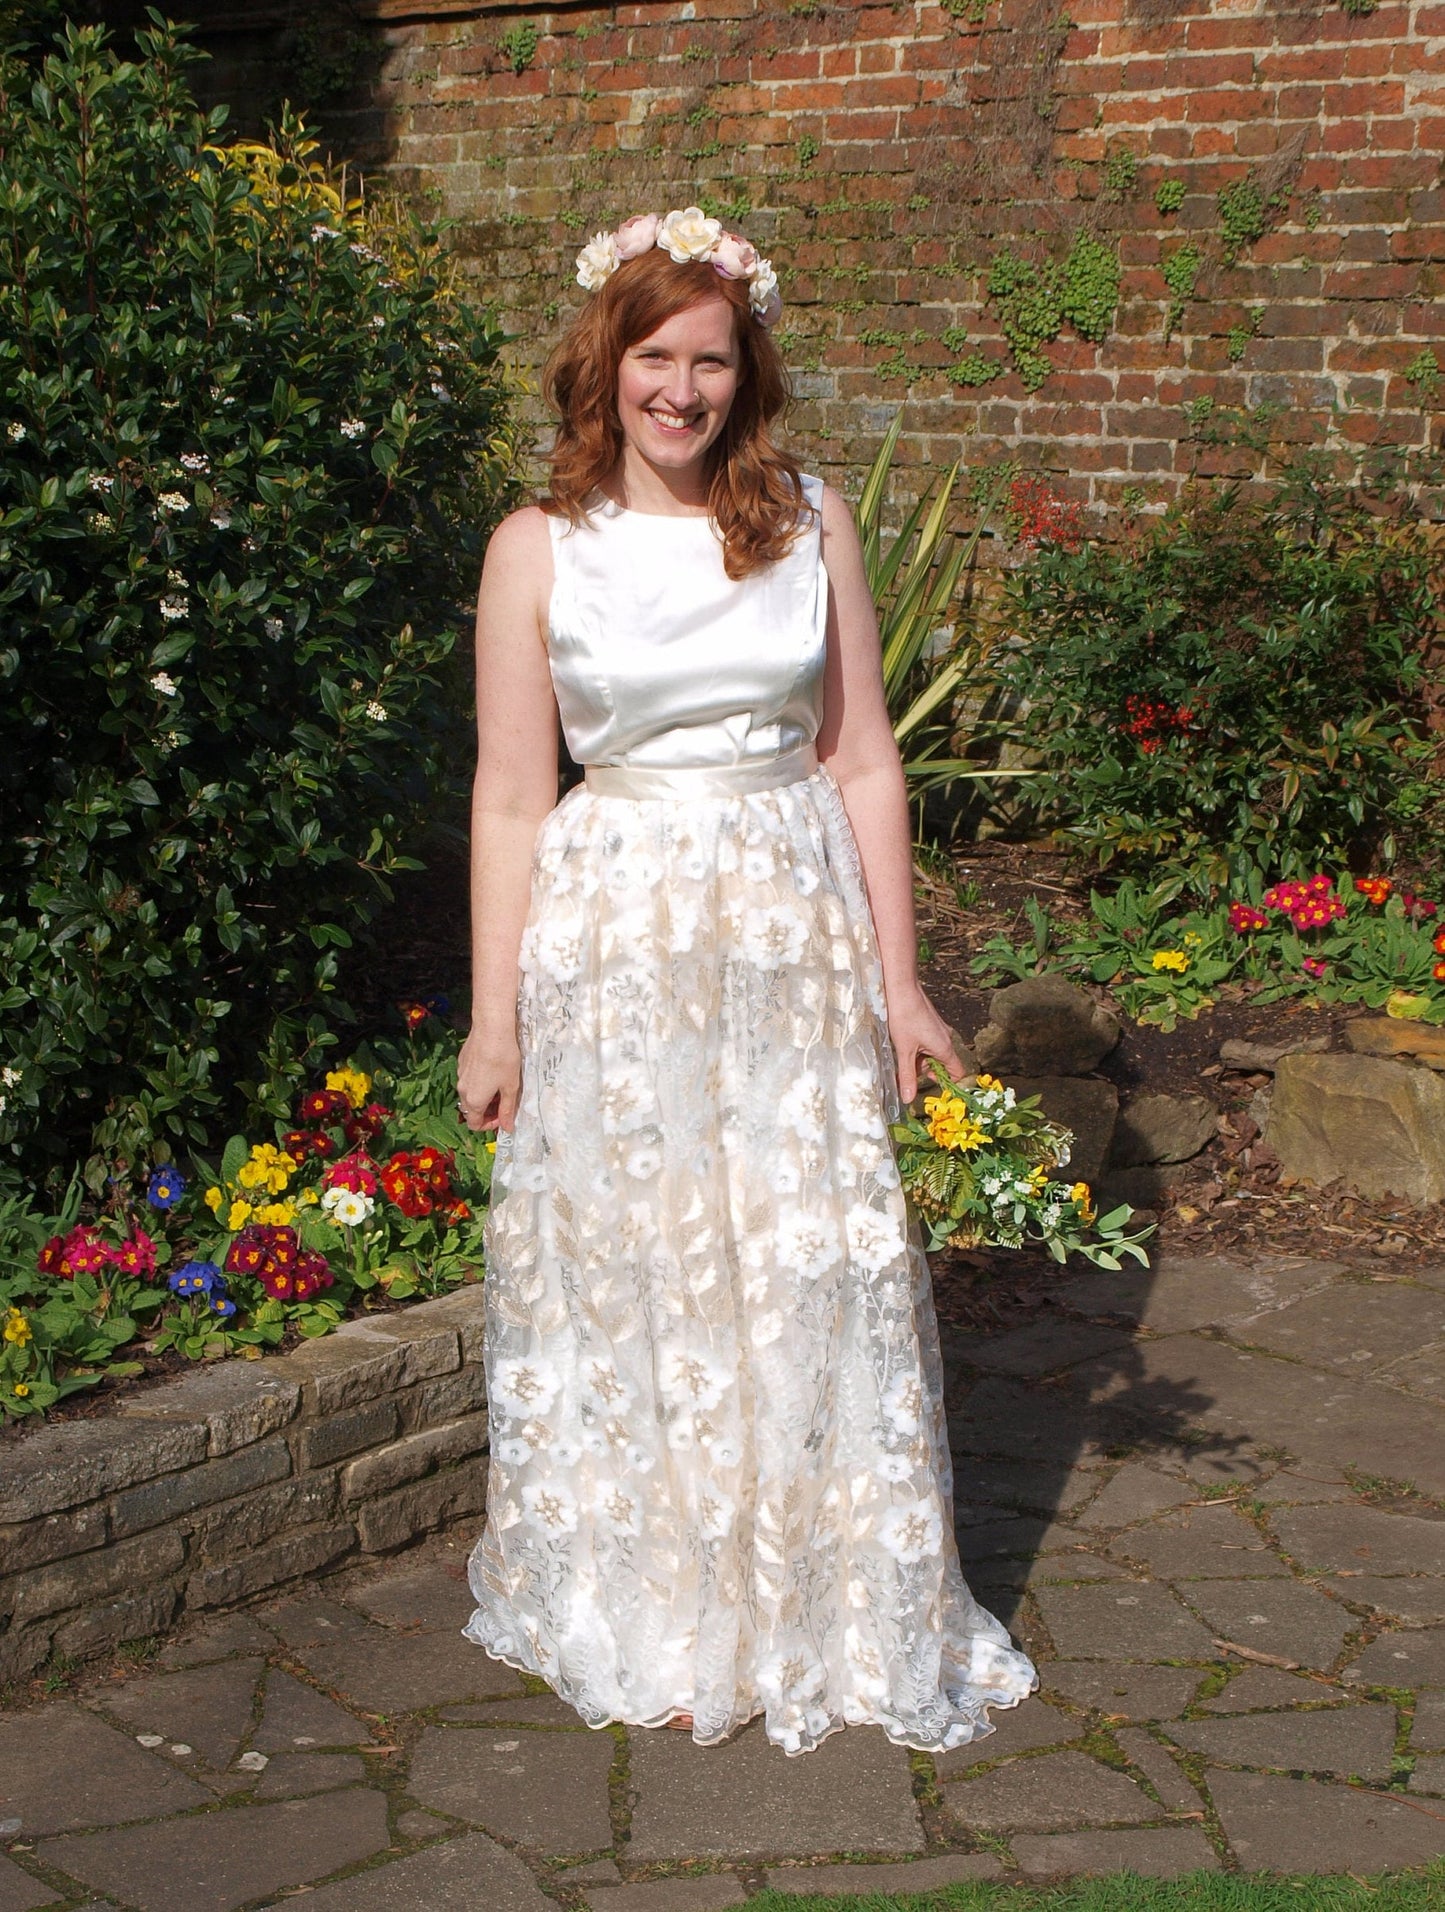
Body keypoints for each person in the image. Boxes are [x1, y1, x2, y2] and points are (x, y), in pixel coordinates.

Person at [456, 207, 1037, 1756]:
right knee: (638, 1262)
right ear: (606, 360)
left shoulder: (811, 521)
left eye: (710, 360)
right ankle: (657, 1608)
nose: (682, 389)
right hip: (619, 939)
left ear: (745, 370)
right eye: (656, 356)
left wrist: (903, 989)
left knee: (801, 1258)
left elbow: (860, 759)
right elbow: (514, 794)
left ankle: (817, 1606)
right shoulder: (536, 549)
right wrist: (493, 1016)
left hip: (789, 925)